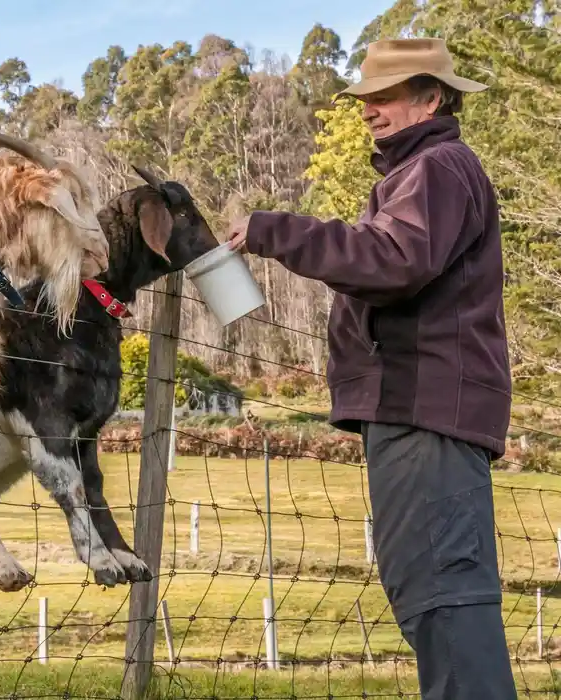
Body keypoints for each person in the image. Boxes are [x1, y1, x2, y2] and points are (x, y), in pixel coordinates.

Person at [226, 38, 518, 699]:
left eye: (385, 96)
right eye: (365, 97)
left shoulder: (440, 168)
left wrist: (276, 231)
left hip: (427, 411)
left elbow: (392, 261)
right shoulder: (418, 174)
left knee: (446, 600)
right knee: (431, 594)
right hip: (416, 412)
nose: (369, 109)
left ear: (431, 97)